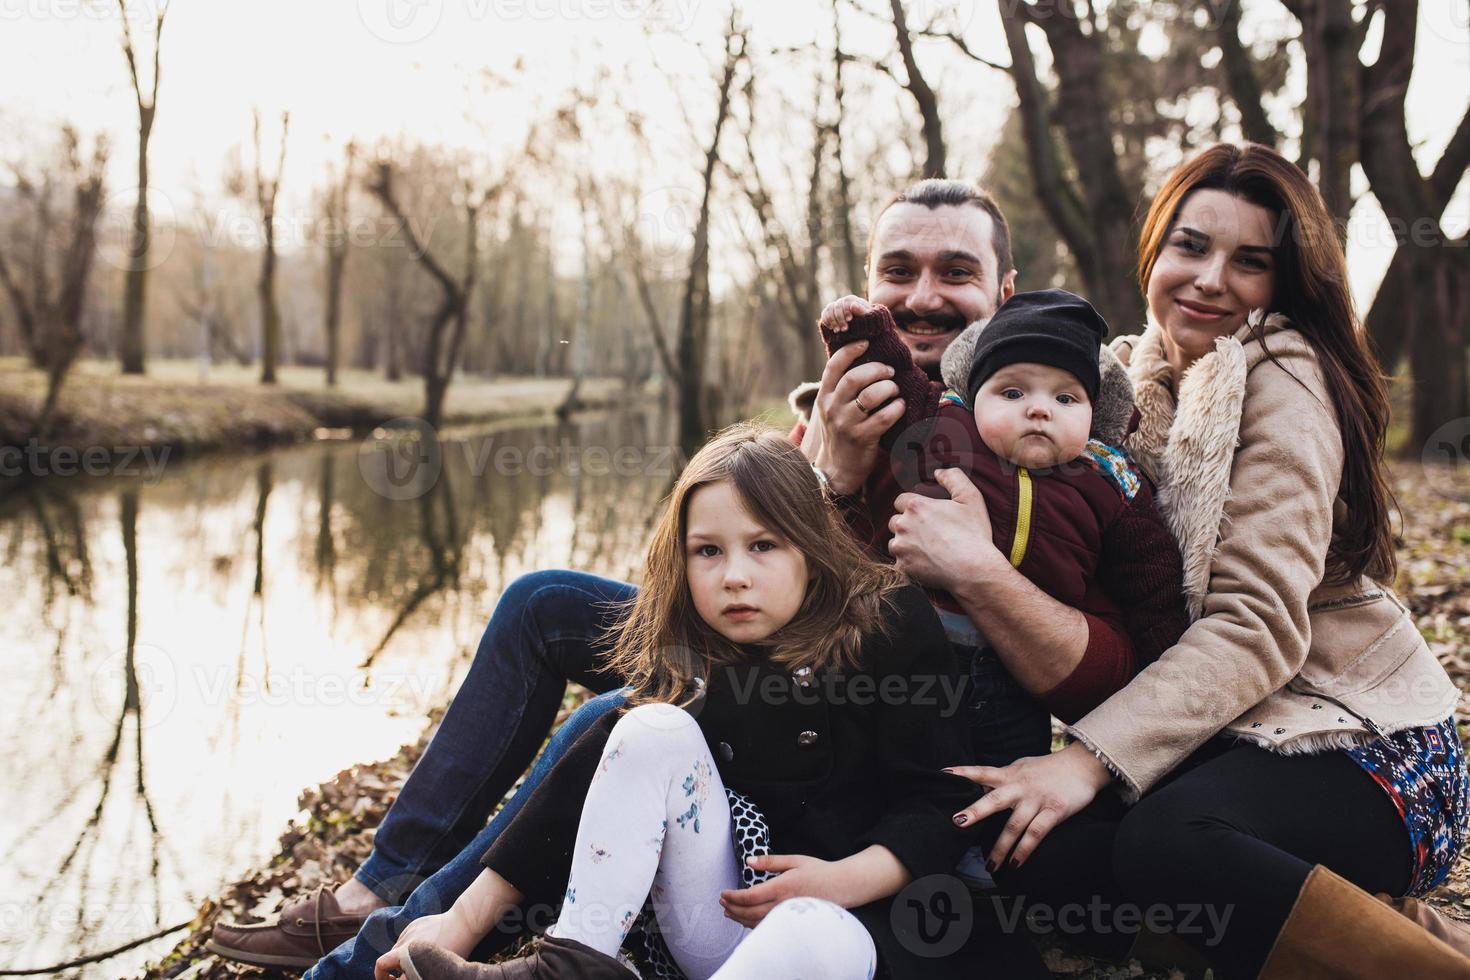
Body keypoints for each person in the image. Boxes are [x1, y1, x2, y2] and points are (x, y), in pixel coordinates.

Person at [207, 179, 1145, 976]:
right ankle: (383, 889)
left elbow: (1084, 650)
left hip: (898, 726)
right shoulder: (835, 408)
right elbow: (757, 569)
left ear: (1005, 290)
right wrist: (833, 474)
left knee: (612, 719)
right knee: (544, 606)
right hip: (771, 674)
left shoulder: (1046, 433)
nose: (924, 295)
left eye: (957, 273)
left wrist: (976, 568)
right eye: (899, 271)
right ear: (868, 286)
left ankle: (390, 944)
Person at [932, 143, 1470, 978]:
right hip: (1227, 743)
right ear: (1155, 251)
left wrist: (1085, 761)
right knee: (1036, 854)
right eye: (1190, 246)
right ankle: (1351, 919)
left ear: (1285, 284)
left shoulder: (1284, 378)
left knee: (1166, 844)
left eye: (1249, 262)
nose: (1210, 279)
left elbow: (1255, 629)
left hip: (1367, 749)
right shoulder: (1135, 387)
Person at [375, 423, 983, 979]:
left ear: (811, 548)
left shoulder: (886, 621)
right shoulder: (700, 649)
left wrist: (841, 881)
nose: (734, 576)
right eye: (708, 551)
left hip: (855, 930)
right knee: (648, 729)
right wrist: (457, 924)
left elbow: (942, 801)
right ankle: (568, 967)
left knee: (812, 931)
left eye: (764, 545)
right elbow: (579, 785)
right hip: (722, 919)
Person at [816, 288, 1189, 735]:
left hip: (1015, 677)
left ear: (1095, 412)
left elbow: (1151, 581)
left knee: (1005, 760)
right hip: (911, 647)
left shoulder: (1112, 482)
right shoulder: (947, 428)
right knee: (903, 750)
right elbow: (895, 379)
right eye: (1011, 391)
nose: (1038, 409)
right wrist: (861, 326)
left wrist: (1164, 663)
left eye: (1066, 399)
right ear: (975, 394)